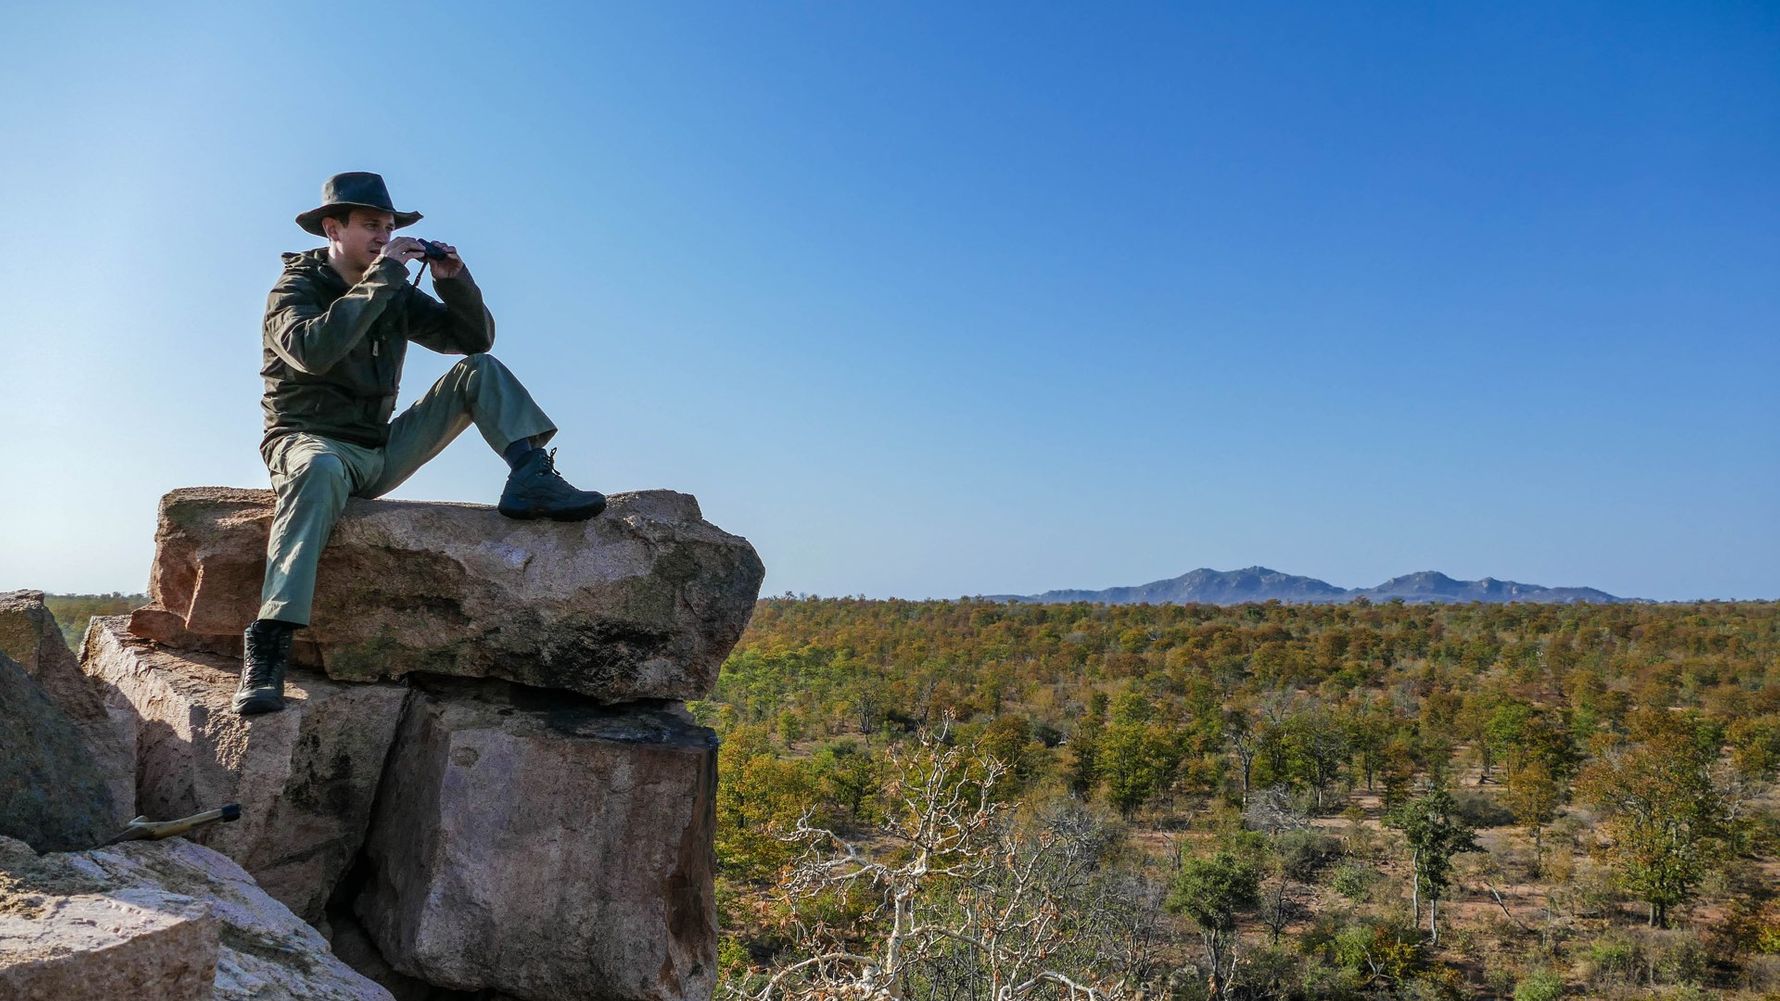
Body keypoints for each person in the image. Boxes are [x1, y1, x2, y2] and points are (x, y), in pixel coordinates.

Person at [234, 171, 604, 716]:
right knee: (319, 468)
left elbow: (472, 340)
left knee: (480, 370)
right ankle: (269, 649)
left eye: (388, 227)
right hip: (308, 444)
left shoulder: (391, 292)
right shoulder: (293, 289)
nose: (383, 237)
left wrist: (455, 282)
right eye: (370, 226)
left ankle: (530, 477)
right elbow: (314, 351)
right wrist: (385, 276)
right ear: (332, 228)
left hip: (378, 450)